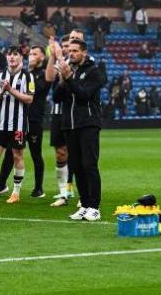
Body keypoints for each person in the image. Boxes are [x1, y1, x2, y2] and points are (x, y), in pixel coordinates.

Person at [53, 39, 104, 222]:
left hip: (88, 124)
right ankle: (84, 205)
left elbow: (84, 95)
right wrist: (61, 81)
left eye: (75, 51)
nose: (71, 54)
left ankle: (94, 207)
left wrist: (69, 79)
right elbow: (57, 98)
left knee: (89, 165)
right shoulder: (69, 70)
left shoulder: (94, 71)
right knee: (76, 167)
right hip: (69, 125)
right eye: (70, 51)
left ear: (84, 52)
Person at [0, 45, 50, 198]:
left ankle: (39, 188)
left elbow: (40, 90)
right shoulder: (23, 74)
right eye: (30, 53)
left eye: (35, 54)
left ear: (41, 57)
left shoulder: (42, 74)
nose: (31, 56)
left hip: (33, 119)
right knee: (10, 153)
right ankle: (0, 185)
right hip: (16, 118)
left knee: (35, 153)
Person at [0, 48, 34, 204]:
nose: (12, 57)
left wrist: (10, 90)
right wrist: (2, 92)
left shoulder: (27, 76)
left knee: (17, 155)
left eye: (15, 54)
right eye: (9, 54)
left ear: (21, 58)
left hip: (18, 124)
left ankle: (16, 192)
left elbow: (29, 99)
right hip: (1, 123)